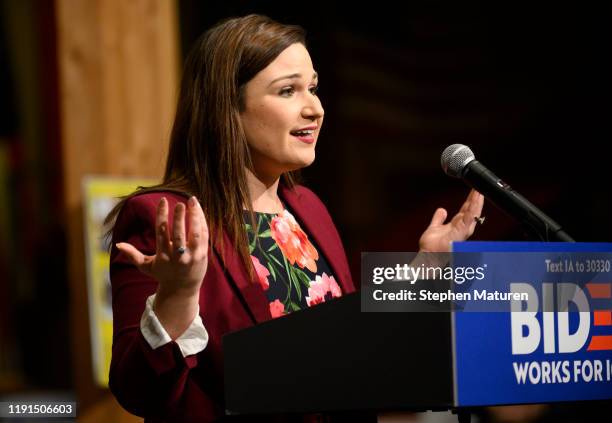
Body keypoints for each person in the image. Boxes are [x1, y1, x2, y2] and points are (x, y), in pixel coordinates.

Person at [106, 14, 484, 423]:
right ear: (226, 108)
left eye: (313, 88)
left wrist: (424, 270)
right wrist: (177, 297)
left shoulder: (309, 208)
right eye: (288, 91)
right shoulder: (163, 217)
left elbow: (348, 345)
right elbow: (137, 390)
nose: (315, 109)